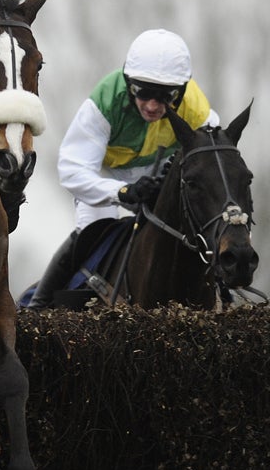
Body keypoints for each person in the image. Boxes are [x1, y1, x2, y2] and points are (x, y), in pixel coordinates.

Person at [24, 28, 220, 309]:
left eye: (165, 96)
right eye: (143, 92)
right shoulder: (106, 100)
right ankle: (38, 306)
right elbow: (72, 169)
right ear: (129, 82)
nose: (152, 106)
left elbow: (213, 167)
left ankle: (222, 290)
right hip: (106, 178)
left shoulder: (198, 111)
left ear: (181, 91)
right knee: (93, 227)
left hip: (163, 179)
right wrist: (123, 191)